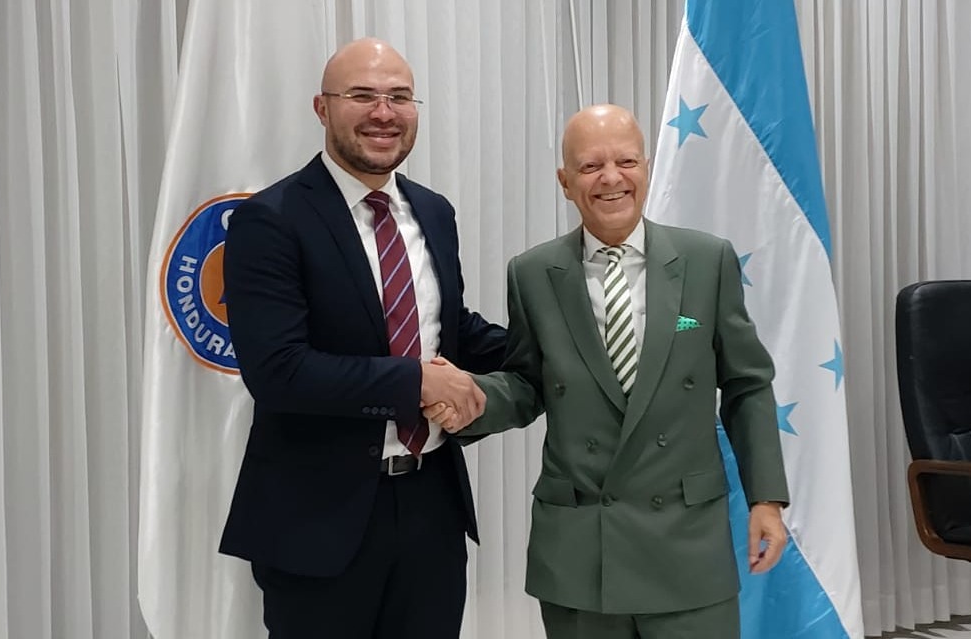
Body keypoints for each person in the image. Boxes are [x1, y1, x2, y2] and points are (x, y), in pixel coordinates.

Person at [427, 104, 789, 638]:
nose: (612, 178)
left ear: (647, 168)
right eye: (591, 166)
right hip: (580, 550)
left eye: (626, 161)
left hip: (687, 546)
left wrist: (766, 498)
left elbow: (746, 386)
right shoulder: (533, 273)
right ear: (565, 182)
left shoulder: (707, 261)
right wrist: (472, 400)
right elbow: (527, 383)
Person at [219, 37, 506, 638]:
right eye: (363, 96)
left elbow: (450, 330)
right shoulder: (269, 220)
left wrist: (563, 346)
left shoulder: (434, 212)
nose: (384, 113)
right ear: (322, 108)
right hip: (316, 522)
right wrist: (415, 382)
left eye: (399, 97)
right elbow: (279, 371)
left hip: (432, 509)